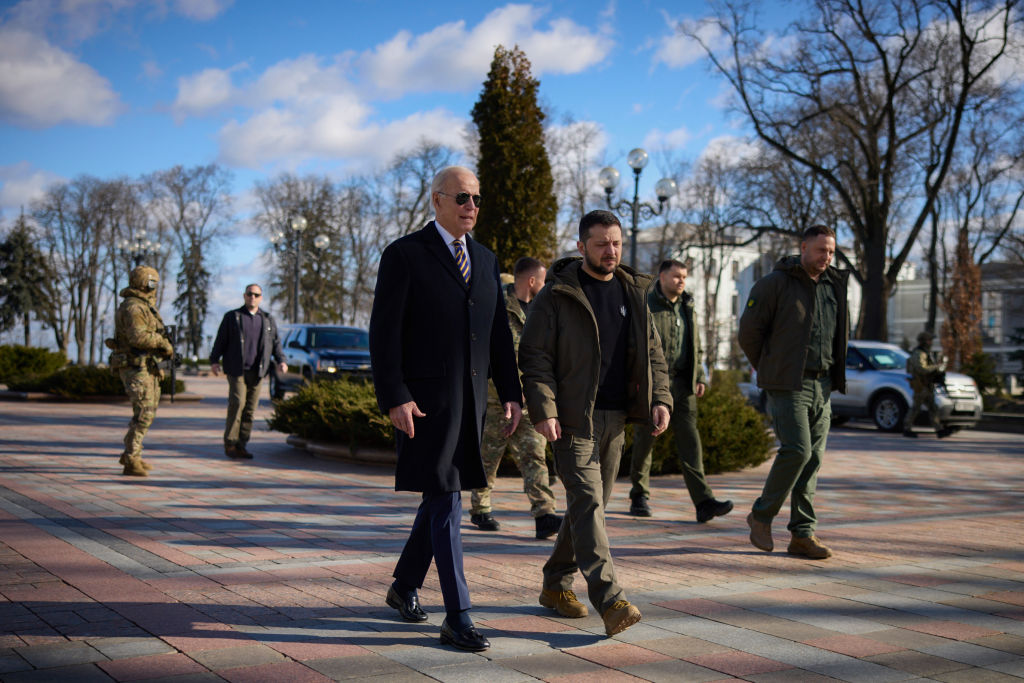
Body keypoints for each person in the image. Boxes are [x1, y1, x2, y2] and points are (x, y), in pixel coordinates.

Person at [369, 166, 522, 653]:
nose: (471, 206)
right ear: (436, 201)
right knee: (447, 502)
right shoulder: (404, 255)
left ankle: (403, 585)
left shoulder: (485, 259)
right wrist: (395, 395)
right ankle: (458, 615)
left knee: (442, 497)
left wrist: (513, 392)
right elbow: (384, 334)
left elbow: (498, 336)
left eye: (476, 198)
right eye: (461, 198)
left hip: (472, 405)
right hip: (424, 407)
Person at [518, 209, 672, 637]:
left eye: (616, 243)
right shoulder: (557, 295)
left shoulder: (633, 291)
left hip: (617, 418)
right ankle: (610, 599)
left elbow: (653, 353)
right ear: (581, 246)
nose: (611, 251)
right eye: (601, 243)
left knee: (589, 507)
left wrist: (661, 398)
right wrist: (545, 409)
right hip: (573, 420)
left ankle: (555, 584)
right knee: (588, 504)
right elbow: (534, 357)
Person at [738, 225, 850, 560]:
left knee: (813, 459)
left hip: (823, 384)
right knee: (797, 450)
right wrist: (770, 366)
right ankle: (761, 515)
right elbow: (748, 332)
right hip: (788, 383)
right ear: (803, 248)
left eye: (831, 252)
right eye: (820, 250)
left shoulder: (834, 285)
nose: (826, 257)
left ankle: (802, 534)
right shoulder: (775, 283)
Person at [628, 259, 733, 523]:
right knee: (645, 440)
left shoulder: (688, 305)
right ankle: (639, 494)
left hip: (684, 385)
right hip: (653, 385)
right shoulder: (646, 304)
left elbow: (696, 343)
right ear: (662, 277)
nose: (681, 281)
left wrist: (700, 376)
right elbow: (634, 344)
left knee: (690, 443)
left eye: (684, 277)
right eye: (676, 276)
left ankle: (703, 501)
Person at [470, 257, 562, 539]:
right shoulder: (497, 308)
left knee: (535, 455)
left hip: (531, 401)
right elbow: (485, 355)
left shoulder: (541, 312)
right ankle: (480, 508)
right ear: (532, 281)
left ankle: (544, 514)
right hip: (498, 401)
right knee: (488, 456)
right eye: (543, 281)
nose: (545, 287)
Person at [209, 284, 287, 459]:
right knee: (237, 403)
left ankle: (241, 444)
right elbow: (220, 340)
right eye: (250, 294)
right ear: (244, 296)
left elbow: (275, 343)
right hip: (237, 370)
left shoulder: (267, 320)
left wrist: (281, 360)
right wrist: (214, 361)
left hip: (258, 371)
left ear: (261, 298)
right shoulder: (233, 317)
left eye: (256, 295)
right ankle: (230, 443)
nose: (253, 297)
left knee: (250, 410)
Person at [109, 265, 173, 477]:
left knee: (146, 413)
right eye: (151, 282)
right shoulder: (134, 307)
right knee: (144, 413)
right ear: (141, 282)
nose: (154, 287)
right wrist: (162, 343)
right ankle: (131, 458)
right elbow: (138, 337)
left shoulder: (145, 306)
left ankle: (133, 454)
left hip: (146, 367)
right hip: (135, 367)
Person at [904, 331, 952, 438]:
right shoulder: (919, 353)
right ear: (924, 341)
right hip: (921, 385)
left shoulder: (925, 353)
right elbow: (922, 369)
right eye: (929, 340)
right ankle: (906, 428)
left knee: (933, 408)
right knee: (916, 407)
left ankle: (939, 430)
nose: (931, 342)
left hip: (927, 384)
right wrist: (936, 367)